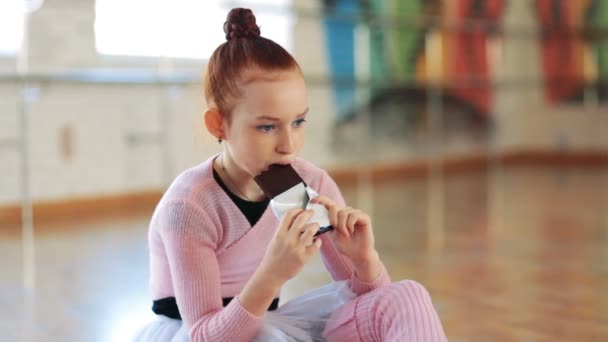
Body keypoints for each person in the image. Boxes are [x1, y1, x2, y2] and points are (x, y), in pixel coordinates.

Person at [134, 7, 447, 342]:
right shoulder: (190, 207)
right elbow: (202, 336)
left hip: (269, 323)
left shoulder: (309, 185)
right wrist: (271, 274)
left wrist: (364, 261)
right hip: (201, 333)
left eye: (298, 122)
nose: (288, 146)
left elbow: (370, 300)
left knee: (406, 295)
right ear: (218, 124)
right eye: (267, 127)